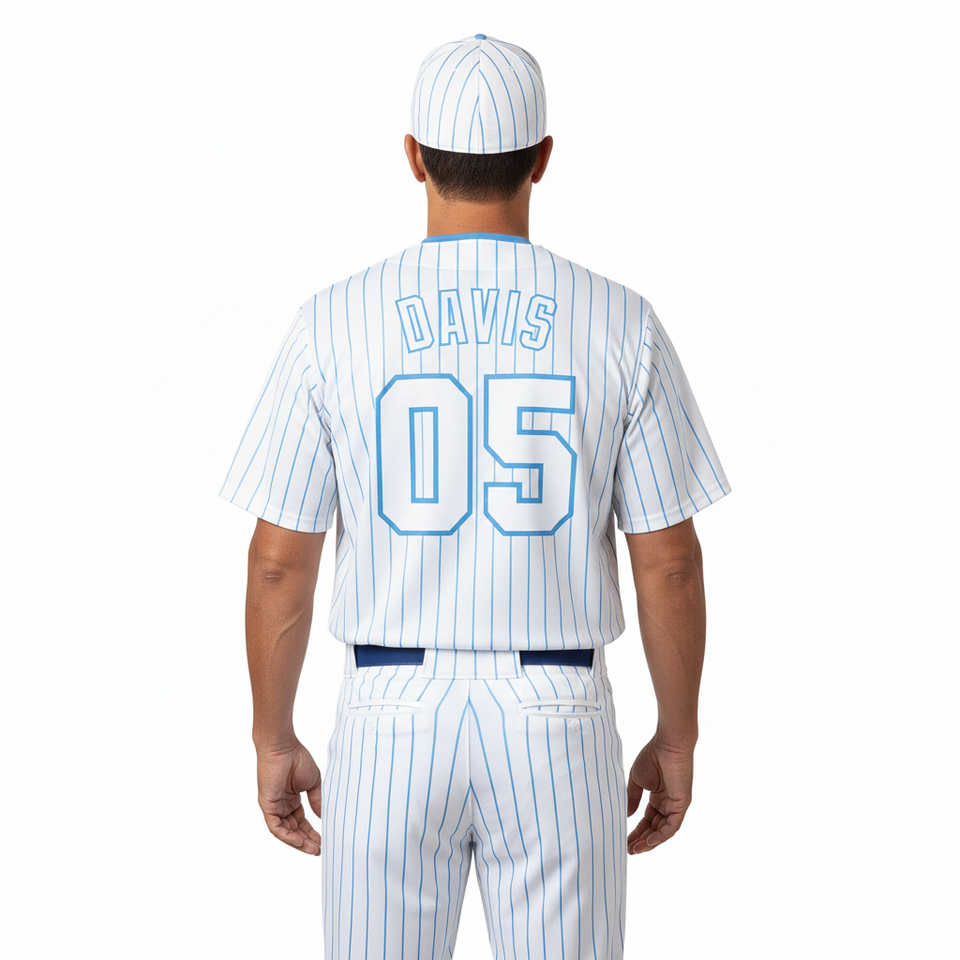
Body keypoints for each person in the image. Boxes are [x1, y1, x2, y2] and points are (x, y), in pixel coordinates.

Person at [221, 34, 729, 960]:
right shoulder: (622, 322)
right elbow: (670, 564)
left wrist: (271, 735)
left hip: (388, 710)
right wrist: (678, 734)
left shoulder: (331, 323)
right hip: (556, 710)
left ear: (413, 156)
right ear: (543, 159)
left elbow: (277, 566)